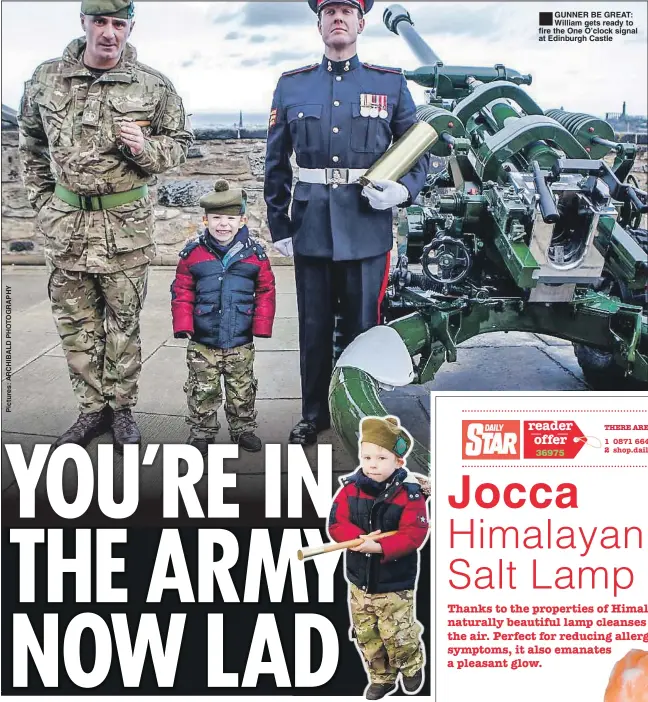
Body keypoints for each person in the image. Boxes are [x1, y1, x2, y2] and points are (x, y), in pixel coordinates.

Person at [17, 0, 193, 450]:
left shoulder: (154, 86)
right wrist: (43, 205)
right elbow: (31, 146)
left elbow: (177, 148)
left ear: (130, 26)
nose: (110, 32)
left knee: (123, 325)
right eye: (101, 22)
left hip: (126, 229)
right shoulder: (45, 78)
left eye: (119, 23)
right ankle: (90, 411)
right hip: (67, 228)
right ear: (84, 23)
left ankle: (123, 410)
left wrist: (145, 148)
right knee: (76, 325)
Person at [264, 0, 429, 445]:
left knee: (363, 327)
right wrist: (279, 223)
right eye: (329, 11)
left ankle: (363, 415)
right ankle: (314, 413)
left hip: (366, 227)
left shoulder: (389, 84)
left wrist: (405, 190)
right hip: (312, 225)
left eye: (346, 11)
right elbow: (276, 162)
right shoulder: (292, 86)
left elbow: (420, 149)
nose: (338, 18)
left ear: (360, 22)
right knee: (314, 328)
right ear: (319, 23)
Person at [170, 180, 276, 455]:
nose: (223, 225)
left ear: (242, 221)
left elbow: (266, 290)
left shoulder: (255, 255)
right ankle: (202, 431)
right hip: (202, 338)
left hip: (240, 338)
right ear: (205, 220)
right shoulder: (192, 254)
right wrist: (183, 324)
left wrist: (261, 325)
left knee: (241, 388)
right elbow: (181, 289)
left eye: (230, 218)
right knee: (202, 389)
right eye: (216, 218)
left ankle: (243, 429)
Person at [328, 415, 428, 700]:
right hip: (360, 583)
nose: (372, 464)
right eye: (367, 456)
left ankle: (410, 666)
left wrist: (380, 547)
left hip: (394, 583)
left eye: (381, 458)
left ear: (398, 462)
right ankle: (381, 677)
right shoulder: (350, 489)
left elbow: (414, 534)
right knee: (367, 634)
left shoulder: (409, 495)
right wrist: (355, 539)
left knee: (398, 631)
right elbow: (337, 522)